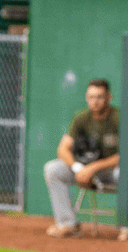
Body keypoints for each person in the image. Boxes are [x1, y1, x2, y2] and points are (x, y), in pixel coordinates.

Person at [41, 79, 120, 238]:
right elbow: (63, 149)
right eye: (91, 97)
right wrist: (79, 169)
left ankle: (127, 228)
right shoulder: (81, 118)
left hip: (110, 173)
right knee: (53, 169)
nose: (95, 101)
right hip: (83, 171)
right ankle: (67, 225)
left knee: (126, 173)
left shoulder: (119, 118)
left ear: (109, 97)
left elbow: (125, 156)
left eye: (99, 97)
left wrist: (91, 169)